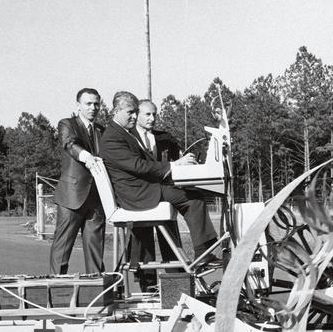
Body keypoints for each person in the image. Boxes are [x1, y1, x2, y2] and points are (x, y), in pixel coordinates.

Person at [98, 91, 218, 271]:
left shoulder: (122, 133)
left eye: (135, 112)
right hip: (138, 194)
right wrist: (173, 166)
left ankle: (191, 261)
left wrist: (175, 169)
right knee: (194, 199)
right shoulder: (112, 137)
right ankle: (203, 254)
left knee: (191, 194)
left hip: (142, 188)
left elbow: (143, 164)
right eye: (130, 112)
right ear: (116, 111)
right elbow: (138, 166)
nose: (134, 116)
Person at [49, 88, 105, 275]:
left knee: (95, 253)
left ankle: (96, 287)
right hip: (71, 197)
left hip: (97, 200)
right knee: (62, 250)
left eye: (96, 104)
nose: (93, 108)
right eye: (88, 103)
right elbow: (69, 144)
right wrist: (87, 157)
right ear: (78, 105)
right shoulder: (67, 124)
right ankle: (57, 286)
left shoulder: (102, 131)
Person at [131, 100, 182, 289]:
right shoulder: (128, 138)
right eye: (147, 114)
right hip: (140, 196)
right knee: (143, 244)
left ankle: (178, 284)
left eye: (154, 114)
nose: (152, 118)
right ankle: (148, 287)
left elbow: (178, 160)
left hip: (164, 195)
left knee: (171, 241)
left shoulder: (165, 138)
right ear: (137, 115)